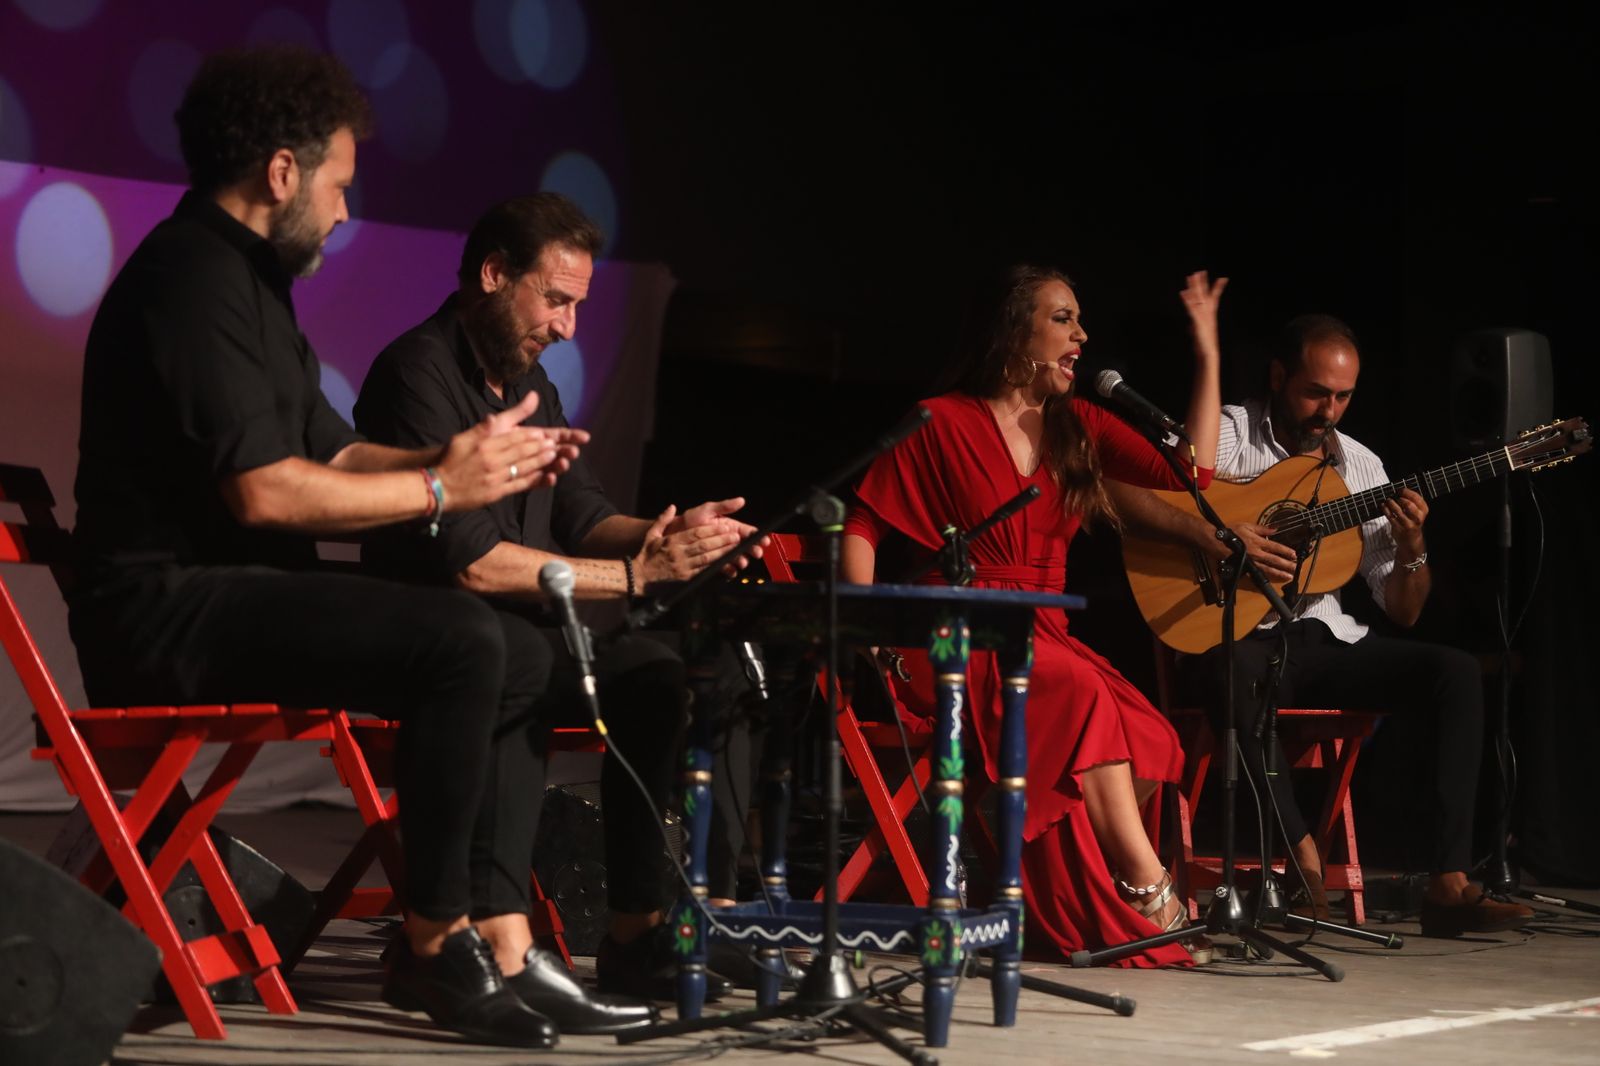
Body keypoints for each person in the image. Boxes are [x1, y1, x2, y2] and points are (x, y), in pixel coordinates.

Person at [65, 47, 652, 1049]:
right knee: (464, 640)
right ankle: (433, 942)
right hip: (163, 612)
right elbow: (262, 489)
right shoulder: (188, 278)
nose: (344, 212)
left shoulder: (250, 281)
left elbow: (332, 448)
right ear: (281, 173)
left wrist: (457, 455)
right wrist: (441, 489)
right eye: (338, 184)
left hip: (229, 594)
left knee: (517, 649)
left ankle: (498, 932)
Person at [354, 191, 767, 1001]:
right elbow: (470, 564)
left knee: (672, 672)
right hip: (435, 641)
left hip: (522, 632)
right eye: (556, 300)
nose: (568, 327)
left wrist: (672, 533)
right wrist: (639, 575)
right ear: (493, 274)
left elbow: (586, 514)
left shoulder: (533, 383)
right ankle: (492, 931)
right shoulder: (416, 372)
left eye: (578, 306)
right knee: (523, 662)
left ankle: (645, 930)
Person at [841, 264, 1226, 966]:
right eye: (1063, 319)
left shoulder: (1077, 426)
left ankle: (1056, 880)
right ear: (1015, 332)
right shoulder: (942, 419)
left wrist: (1207, 351)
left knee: (1145, 730)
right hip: (954, 633)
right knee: (1079, 694)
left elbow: (1190, 473)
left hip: (1041, 633)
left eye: (1079, 320)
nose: (1082, 335)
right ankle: (1149, 889)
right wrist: (866, 626)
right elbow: (862, 521)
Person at [1106, 313, 1534, 936]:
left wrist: (1413, 546)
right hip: (1235, 637)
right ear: (1279, 376)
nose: (1327, 411)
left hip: (1323, 640)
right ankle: (1303, 861)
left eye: (1342, 397)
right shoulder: (1229, 432)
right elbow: (1127, 491)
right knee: (1235, 671)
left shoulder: (1361, 467)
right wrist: (1220, 537)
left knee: (1456, 672)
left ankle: (1448, 883)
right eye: (1315, 393)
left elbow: (1404, 609)